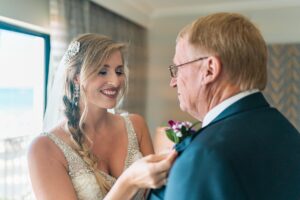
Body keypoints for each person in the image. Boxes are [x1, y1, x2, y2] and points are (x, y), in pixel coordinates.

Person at [148, 12, 300, 200]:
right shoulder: (286, 132)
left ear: (209, 69)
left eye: (178, 68)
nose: (173, 82)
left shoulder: (204, 156)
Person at [28, 33, 177, 200]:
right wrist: (129, 181)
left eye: (119, 71)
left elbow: (156, 194)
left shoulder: (136, 125)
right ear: (76, 77)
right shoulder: (44, 148)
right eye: (102, 71)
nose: (115, 81)